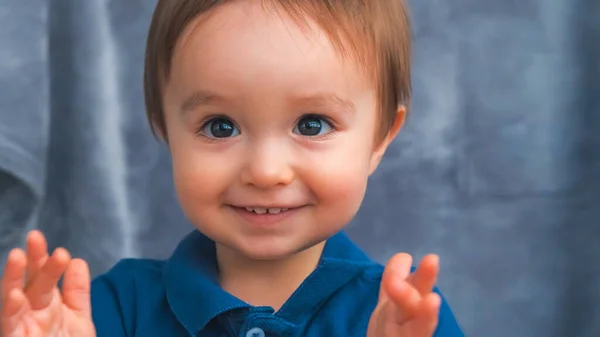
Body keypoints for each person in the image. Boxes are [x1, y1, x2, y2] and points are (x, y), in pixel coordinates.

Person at [0, 0, 465, 336]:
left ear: (380, 137)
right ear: (164, 128)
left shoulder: (405, 319)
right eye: (220, 127)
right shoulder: (112, 310)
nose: (265, 172)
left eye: (312, 124)